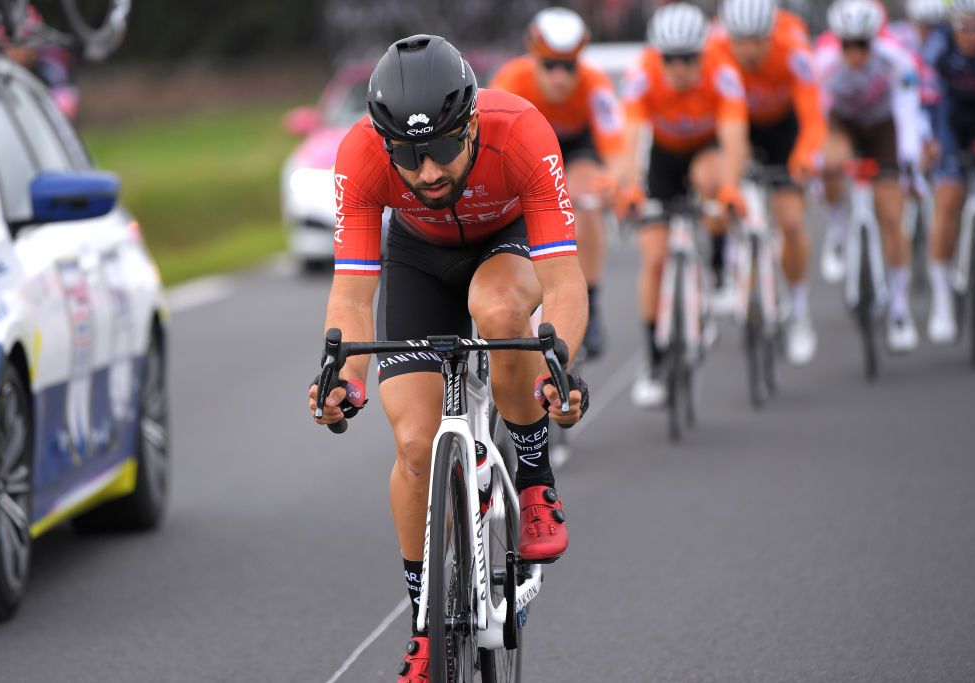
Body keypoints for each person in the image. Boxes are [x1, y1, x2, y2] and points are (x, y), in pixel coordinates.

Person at [307, 35, 589, 682]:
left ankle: (536, 476)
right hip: (419, 259)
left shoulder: (521, 132)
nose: (427, 171)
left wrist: (563, 367)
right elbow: (351, 295)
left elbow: (567, 284)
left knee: (497, 311)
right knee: (412, 445)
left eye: (440, 147)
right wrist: (341, 382)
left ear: (472, 124)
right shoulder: (358, 155)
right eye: (407, 156)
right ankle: (425, 623)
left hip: (508, 244)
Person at [621, 3, 750, 407]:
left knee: (712, 178)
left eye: (688, 58)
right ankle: (655, 358)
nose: (679, 67)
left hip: (704, 151)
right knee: (654, 258)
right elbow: (629, 136)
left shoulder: (723, 72)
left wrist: (730, 189)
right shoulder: (641, 74)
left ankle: (718, 267)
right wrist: (629, 188)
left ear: (702, 53)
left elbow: (734, 138)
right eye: (670, 59)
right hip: (663, 157)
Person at [491, 7, 627, 359]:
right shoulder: (511, 79)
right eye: (550, 65)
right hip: (528, 146)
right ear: (534, 58)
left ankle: (591, 305)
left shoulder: (596, 85)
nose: (560, 77)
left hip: (575, 148)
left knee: (586, 197)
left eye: (569, 67)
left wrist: (613, 183)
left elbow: (617, 148)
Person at [710, 0, 826, 365]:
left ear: (771, 34)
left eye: (757, 41)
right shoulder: (714, 51)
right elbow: (721, 121)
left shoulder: (794, 49)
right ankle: (727, 270)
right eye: (740, 41)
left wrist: (805, 155)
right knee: (719, 185)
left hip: (782, 129)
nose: (748, 50)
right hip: (736, 125)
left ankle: (799, 311)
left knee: (791, 222)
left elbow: (812, 116)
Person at [815, 0, 924, 353]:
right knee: (830, 159)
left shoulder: (895, 59)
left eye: (863, 45)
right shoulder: (825, 64)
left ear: (874, 42)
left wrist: (908, 159)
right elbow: (813, 114)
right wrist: (818, 164)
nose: (856, 53)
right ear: (839, 42)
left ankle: (899, 308)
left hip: (882, 126)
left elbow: (908, 109)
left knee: (892, 215)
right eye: (848, 44)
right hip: (844, 124)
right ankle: (836, 228)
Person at [921, 0, 975, 343]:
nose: (973, 36)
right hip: (950, 120)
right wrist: (929, 142)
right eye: (966, 27)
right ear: (953, 25)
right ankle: (942, 301)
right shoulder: (938, 47)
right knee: (946, 202)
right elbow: (927, 99)